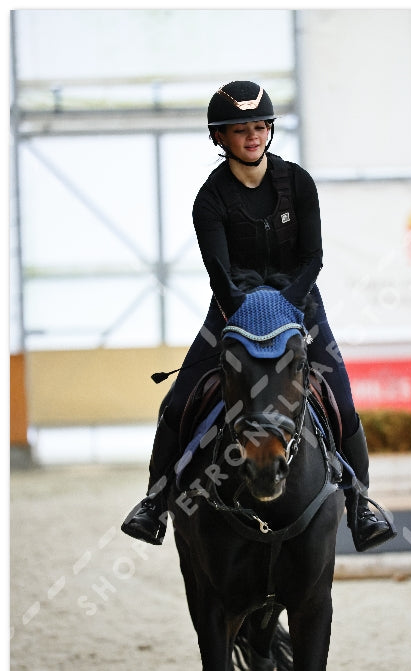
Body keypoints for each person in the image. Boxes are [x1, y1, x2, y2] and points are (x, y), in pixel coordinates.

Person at [121, 80, 395, 552]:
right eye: (240, 129)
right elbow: (220, 275)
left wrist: (289, 304)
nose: (253, 136)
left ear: (270, 129)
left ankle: (360, 507)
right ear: (220, 138)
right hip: (233, 309)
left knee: (344, 404)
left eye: (260, 126)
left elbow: (314, 258)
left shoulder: (298, 183)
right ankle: (155, 505)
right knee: (177, 403)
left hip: (300, 306)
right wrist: (246, 310)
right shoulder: (209, 200)